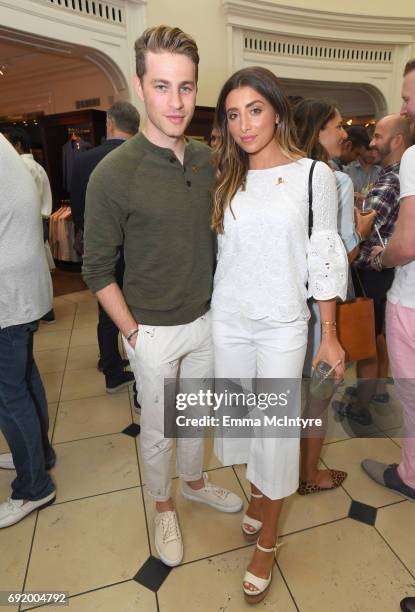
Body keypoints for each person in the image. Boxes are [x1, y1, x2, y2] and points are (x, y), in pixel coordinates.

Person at [82, 25, 243, 568]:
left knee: (197, 416)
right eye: (162, 86)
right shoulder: (113, 173)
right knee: (158, 432)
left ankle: (194, 481)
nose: (175, 103)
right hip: (149, 330)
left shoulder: (206, 159)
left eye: (186, 88)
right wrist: (132, 333)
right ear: (139, 84)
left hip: (205, 322)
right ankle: (163, 503)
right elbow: (97, 268)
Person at [211, 67, 347, 603]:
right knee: (244, 424)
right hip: (229, 318)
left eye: (255, 110)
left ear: (277, 112)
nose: (244, 124)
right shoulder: (228, 174)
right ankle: (261, 494)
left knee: (275, 430)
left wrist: (330, 335)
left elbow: (325, 257)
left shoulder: (314, 175)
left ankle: (268, 538)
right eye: (233, 113)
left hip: (284, 324)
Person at [292, 98, 374, 493]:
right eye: (337, 126)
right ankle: (309, 474)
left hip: (287, 304)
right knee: (318, 396)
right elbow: (341, 254)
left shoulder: (284, 174)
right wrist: (362, 227)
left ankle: (279, 474)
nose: (344, 133)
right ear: (317, 130)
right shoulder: (334, 179)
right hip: (322, 309)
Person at [361, 59, 415, 502]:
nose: (407, 106)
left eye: (409, 97)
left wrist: (380, 260)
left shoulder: (409, 162)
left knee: (411, 397)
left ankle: (410, 475)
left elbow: (405, 243)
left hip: (408, 295)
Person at [0, 134, 56, 528]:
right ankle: (40, 453)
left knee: (8, 393)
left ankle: (34, 484)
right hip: (21, 282)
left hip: (7, 290)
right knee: (23, 376)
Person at [342, 114, 412, 424]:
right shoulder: (394, 175)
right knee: (378, 337)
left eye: (379, 136)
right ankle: (376, 391)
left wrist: (349, 208)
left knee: (365, 343)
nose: (372, 142)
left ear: (396, 140)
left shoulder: (392, 178)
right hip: (383, 274)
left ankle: (361, 407)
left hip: (373, 272)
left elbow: (365, 226)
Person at [71, 102, 140, 393]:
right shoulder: (142, 159)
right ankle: (140, 372)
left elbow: (77, 210)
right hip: (138, 250)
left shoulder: (85, 160)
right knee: (138, 309)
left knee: (107, 310)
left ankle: (111, 368)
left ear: (110, 123)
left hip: (102, 248)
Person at [5, 126, 55, 322]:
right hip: (40, 220)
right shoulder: (38, 167)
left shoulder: (22, 167)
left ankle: (36, 314)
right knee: (39, 266)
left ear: (17, 144)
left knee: (29, 271)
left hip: (29, 222)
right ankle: (46, 311)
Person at [343, 125, 381, 206]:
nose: (373, 154)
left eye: (376, 150)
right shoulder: (347, 170)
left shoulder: (381, 172)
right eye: (369, 150)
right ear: (362, 148)